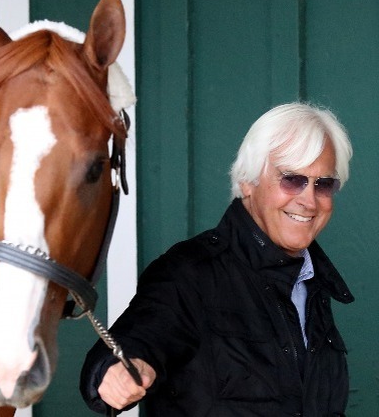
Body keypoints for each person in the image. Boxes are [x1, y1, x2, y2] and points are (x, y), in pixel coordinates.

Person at [80, 102, 355, 416]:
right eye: (292, 179)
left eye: (324, 184)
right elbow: (142, 337)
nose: (308, 200)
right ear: (247, 182)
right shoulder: (191, 272)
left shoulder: (311, 284)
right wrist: (115, 370)